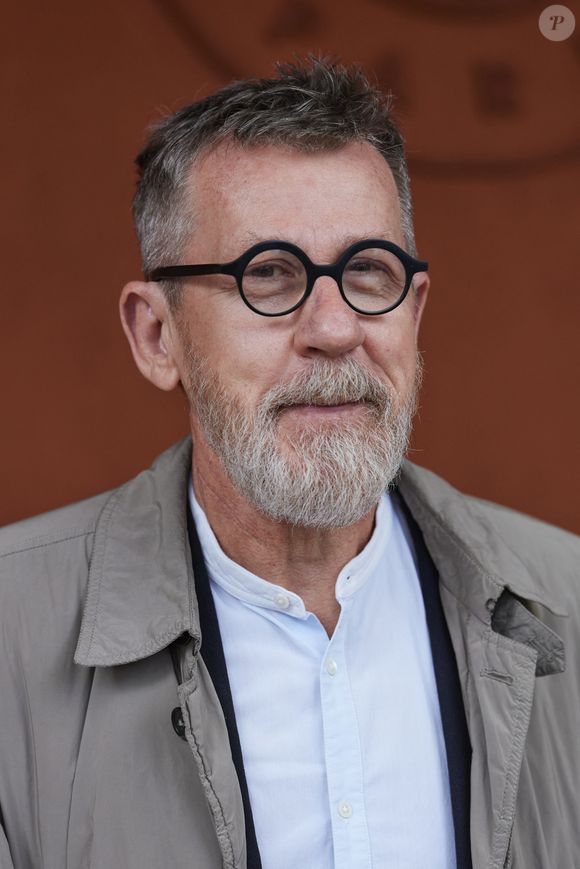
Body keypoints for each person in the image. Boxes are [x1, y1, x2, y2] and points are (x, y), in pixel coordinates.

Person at [0, 57, 578, 869]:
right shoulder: (9, 637)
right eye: (268, 275)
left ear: (415, 314)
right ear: (157, 336)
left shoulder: (568, 609)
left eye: (369, 271)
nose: (335, 329)